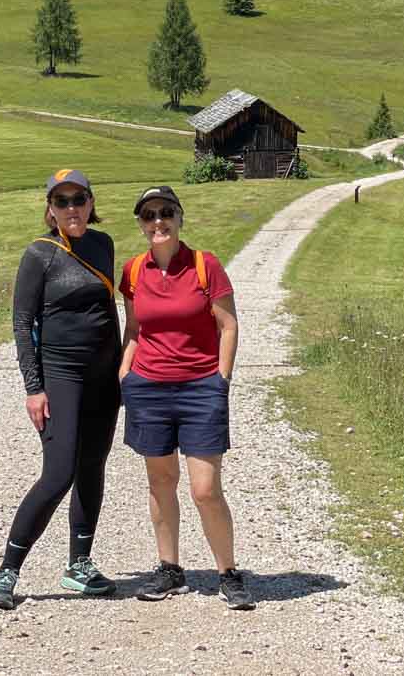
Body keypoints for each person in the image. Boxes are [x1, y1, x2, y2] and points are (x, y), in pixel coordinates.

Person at [0, 169, 122, 610]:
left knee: (92, 467)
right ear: (50, 209)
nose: (71, 209)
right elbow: (22, 324)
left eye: (78, 199)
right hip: (61, 374)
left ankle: (78, 564)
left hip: (104, 378)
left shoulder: (103, 245)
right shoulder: (38, 255)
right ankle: (7, 571)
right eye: (61, 202)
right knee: (58, 472)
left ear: (90, 201)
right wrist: (34, 387)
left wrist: (123, 368)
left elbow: (110, 309)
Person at [118, 184, 255, 610]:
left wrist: (221, 379)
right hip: (149, 388)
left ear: (179, 218)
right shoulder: (134, 271)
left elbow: (228, 325)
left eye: (166, 213)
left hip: (200, 389)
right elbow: (135, 330)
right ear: (141, 224)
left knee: (204, 488)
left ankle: (228, 573)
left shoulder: (204, 265)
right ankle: (169, 568)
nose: (158, 221)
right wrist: (125, 373)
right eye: (149, 215)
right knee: (160, 482)